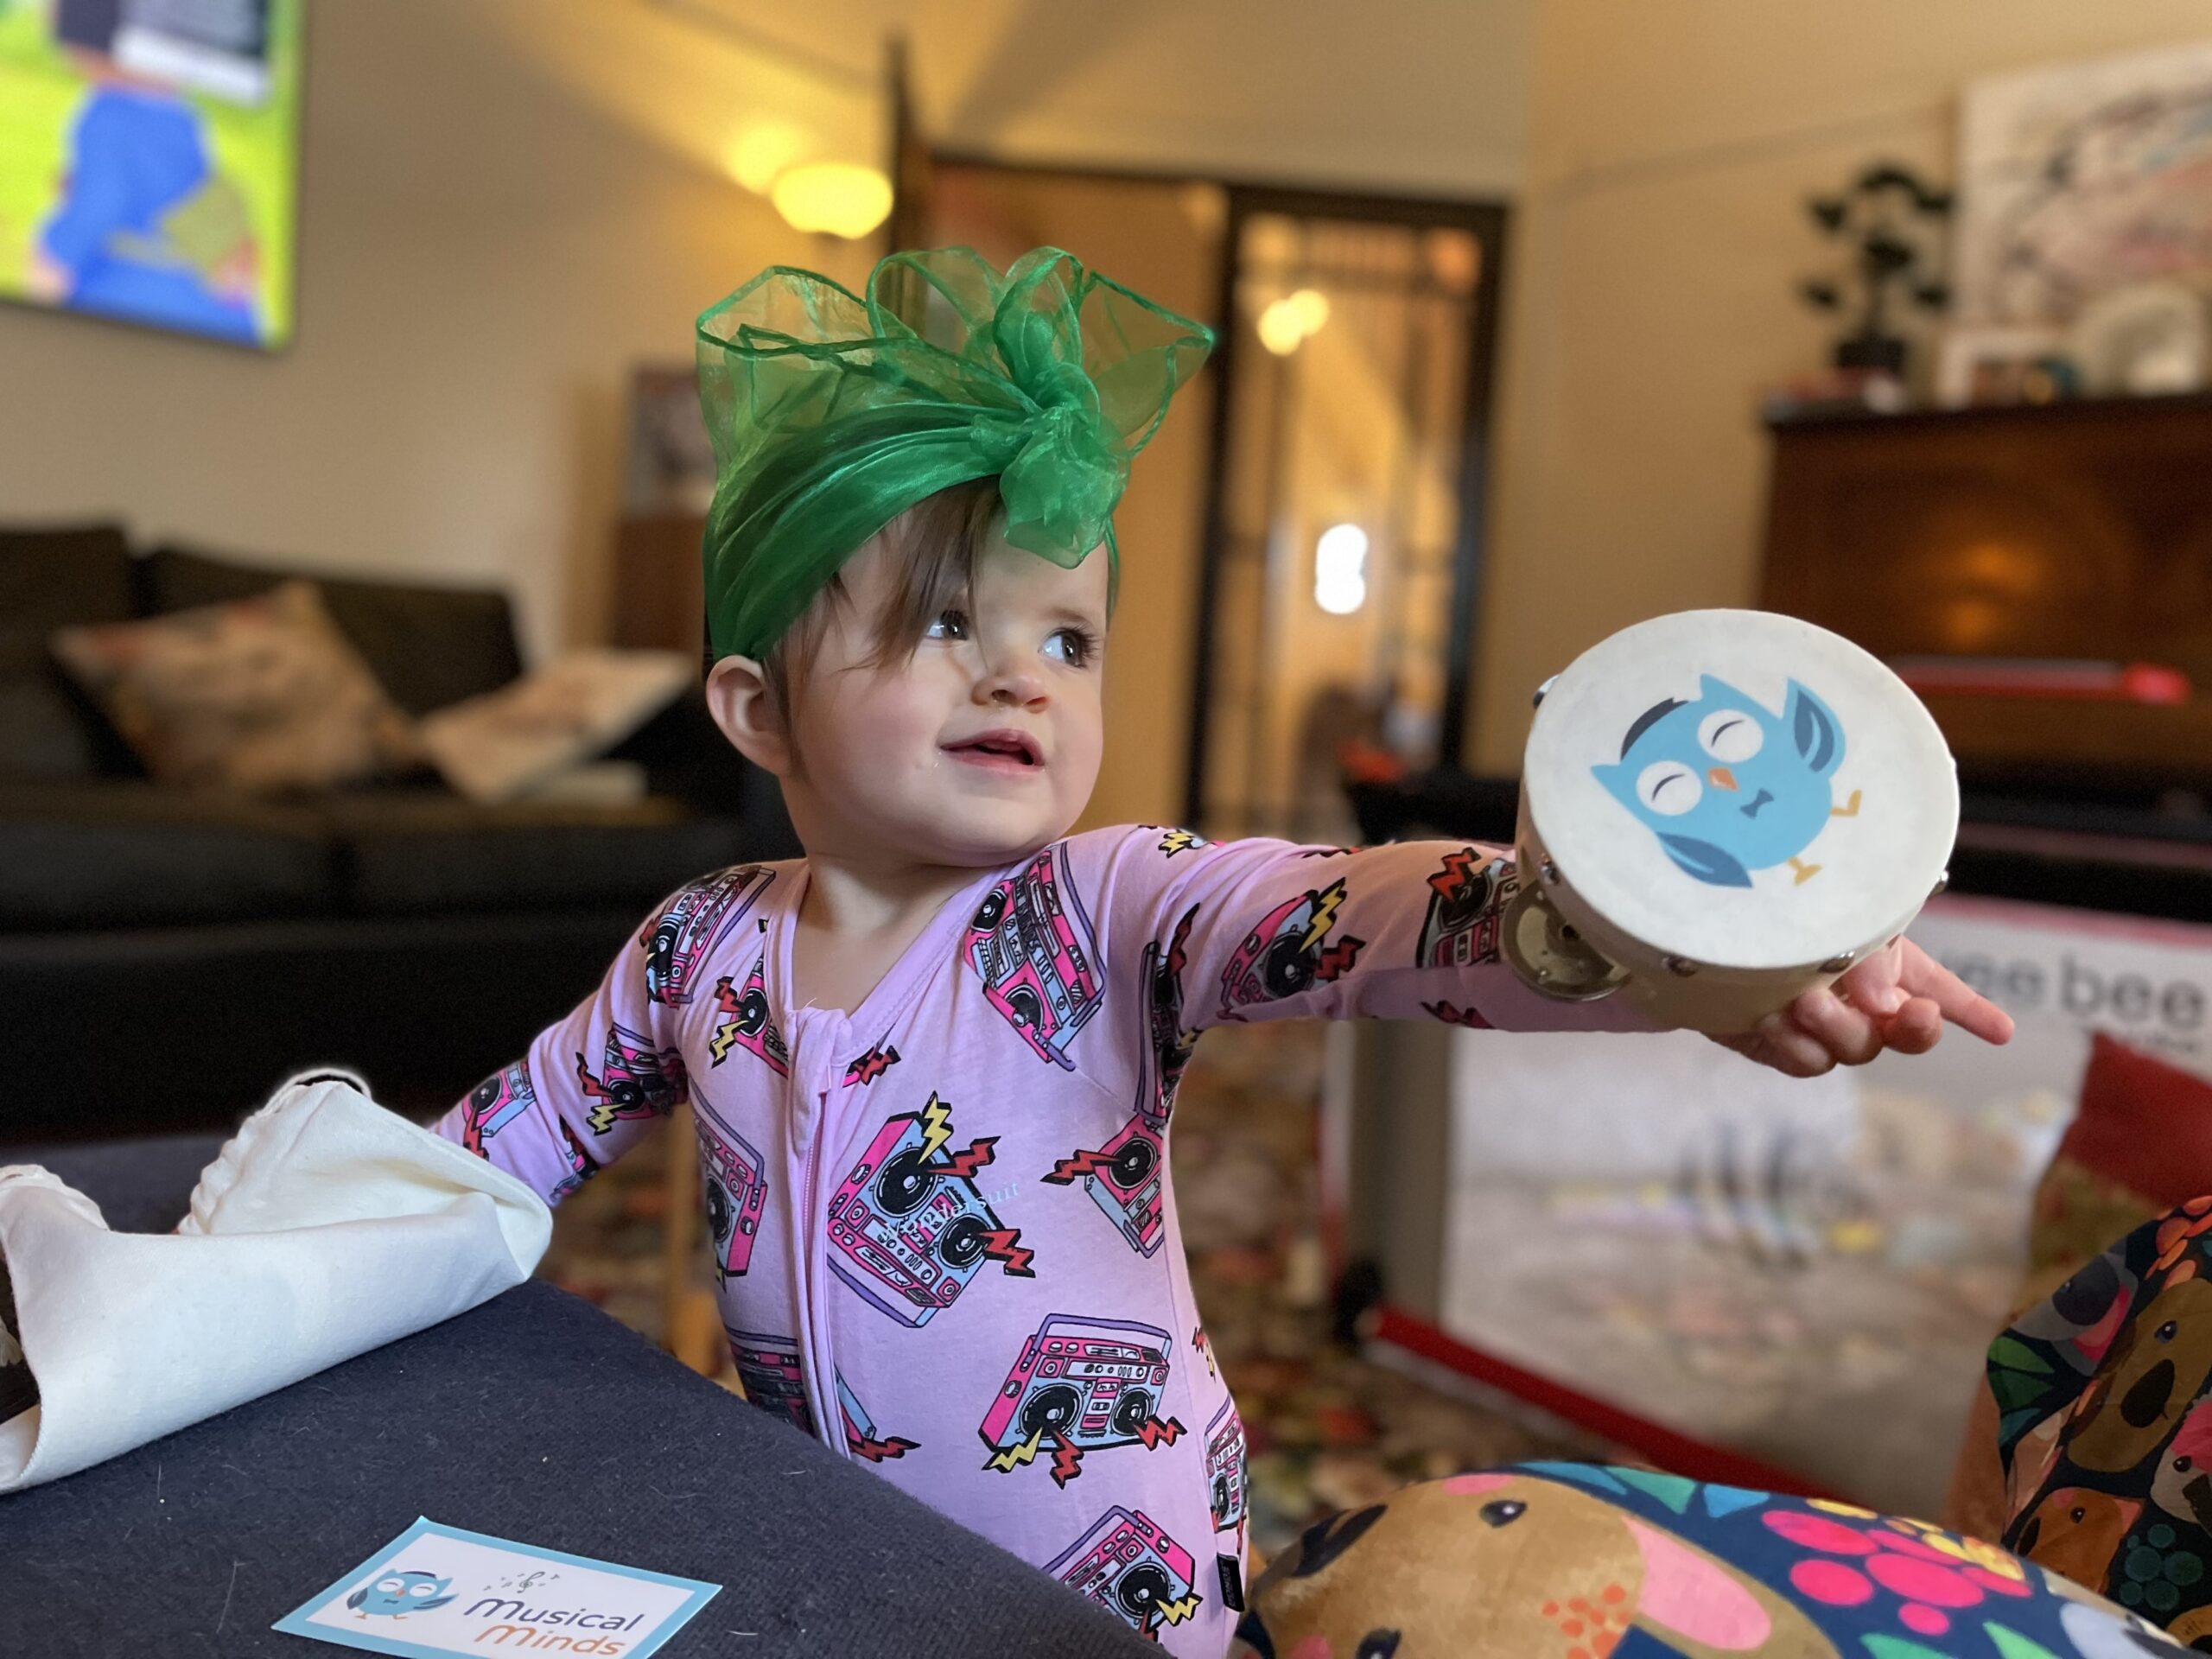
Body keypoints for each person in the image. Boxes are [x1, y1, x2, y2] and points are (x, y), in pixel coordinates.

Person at [436, 247, 2012, 1657]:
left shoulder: (1106, 908)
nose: (1021, 677)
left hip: (1112, 1565)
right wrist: (327, 1237)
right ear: (757, 709)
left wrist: (1670, 949)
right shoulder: (698, 947)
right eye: (936, 626)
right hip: (827, 1544)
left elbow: (1372, 911)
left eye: (1066, 638)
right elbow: (508, 1136)